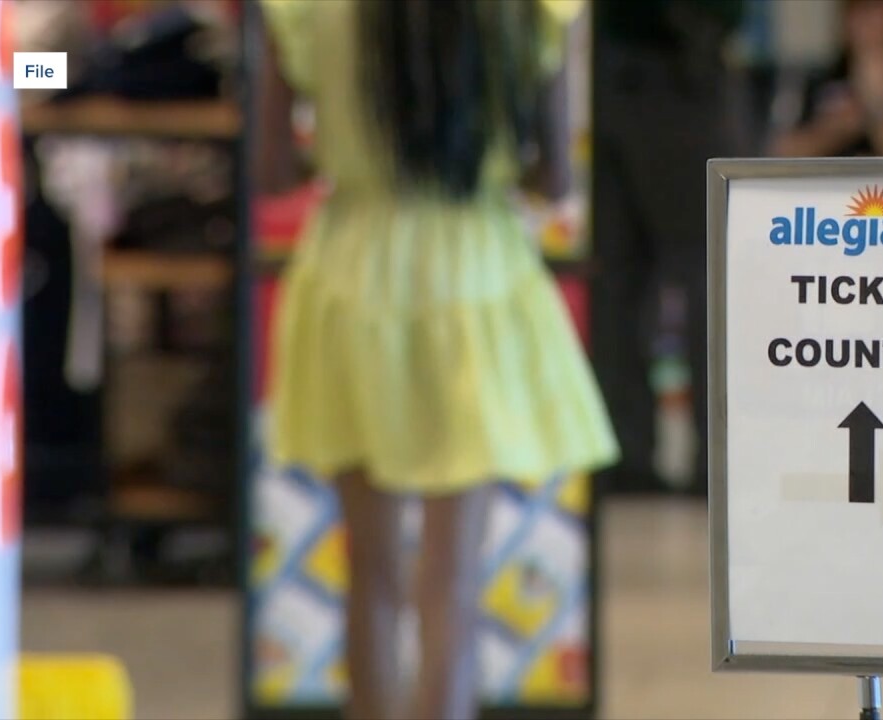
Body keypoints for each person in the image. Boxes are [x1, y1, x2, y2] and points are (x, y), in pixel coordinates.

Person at [256, 2, 617, 719]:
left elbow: (270, 170)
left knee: (370, 571)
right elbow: (555, 180)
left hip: (350, 272)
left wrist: (344, 152)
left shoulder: (302, 10)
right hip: (475, 274)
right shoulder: (532, 11)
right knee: (452, 580)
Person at [591, 0, 753, 496]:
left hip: (622, 70)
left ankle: (630, 454)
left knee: (622, 280)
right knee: (703, 271)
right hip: (674, 72)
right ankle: (710, 462)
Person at [771, 0, 883, 158]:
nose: (871, 24)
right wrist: (838, 128)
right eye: (862, 11)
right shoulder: (822, 77)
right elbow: (783, 151)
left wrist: (878, 100)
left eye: (880, 11)